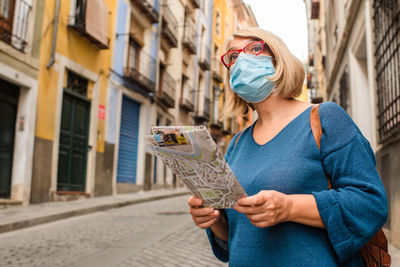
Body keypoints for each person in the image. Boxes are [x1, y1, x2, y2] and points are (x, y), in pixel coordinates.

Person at [187, 27, 388, 267]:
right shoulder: (237, 144)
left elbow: (370, 203)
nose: (241, 59)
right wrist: (213, 219)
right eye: (233, 56)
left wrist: (289, 207)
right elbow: (235, 238)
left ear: (278, 58)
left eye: (253, 48)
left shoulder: (325, 118)